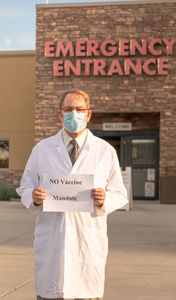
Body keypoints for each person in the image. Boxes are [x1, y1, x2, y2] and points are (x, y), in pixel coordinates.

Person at [17, 89, 128, 300]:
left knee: (85, 292)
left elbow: (120, 193)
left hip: (88, 243)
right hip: (52, 245)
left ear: (88, 114)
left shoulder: (104, 151)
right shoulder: (42, 149)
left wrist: (105, 199)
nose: (73, 114)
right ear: (60, 114)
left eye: (79, 109)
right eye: (68, 109)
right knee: (51, 292)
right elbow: (25, 187)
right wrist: (33, 196)